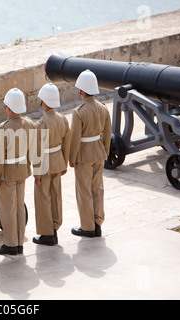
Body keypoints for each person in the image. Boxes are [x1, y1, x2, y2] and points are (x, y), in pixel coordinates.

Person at [0, 88, 36, 255]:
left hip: (8, 174)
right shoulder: (29, 124)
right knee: (18, 207)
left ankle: (10, 244)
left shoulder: (4, 128)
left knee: (7, 210)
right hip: (22, 170)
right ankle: (18, 243)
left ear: (9, 108)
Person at [69, 70, 112, 238]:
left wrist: (72, 158)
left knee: (84, 190)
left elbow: (75, 138)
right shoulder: (103, 108)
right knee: (98, 188)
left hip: (84, 155)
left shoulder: (78, 111)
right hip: (99, 152)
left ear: (83, 91)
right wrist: (105, 151)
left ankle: (87, 227)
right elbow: (108, 133)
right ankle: (97, 222)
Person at [32, 83, 70, 246]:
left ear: (45, 102)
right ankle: (54, 228)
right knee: (56, 197)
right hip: (58, 161)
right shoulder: (62, 119)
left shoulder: (41, 124)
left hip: (45, 165)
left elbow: (37, 151)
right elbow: (66, 143)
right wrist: (64, 163)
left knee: (43, 199)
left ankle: (47, 234)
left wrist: (37, 174)